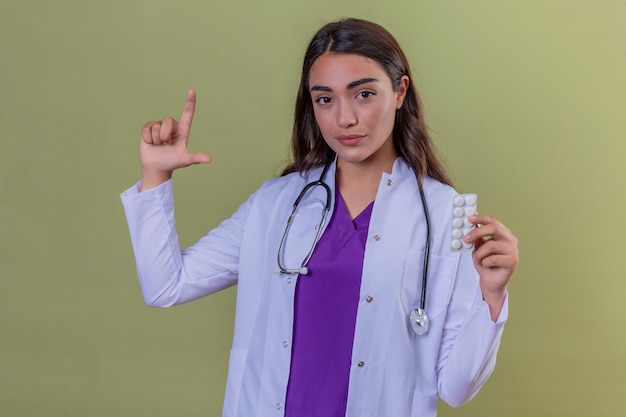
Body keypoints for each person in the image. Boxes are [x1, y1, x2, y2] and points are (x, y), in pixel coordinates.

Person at [121, 17, 518, 417]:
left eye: (363, 93)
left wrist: (492, 295)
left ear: (399, 91)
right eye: (325, 99)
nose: (344, 118)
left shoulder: (444, 213)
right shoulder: (277, 203)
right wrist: (156, 175)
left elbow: (457, 386)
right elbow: (165, 286)